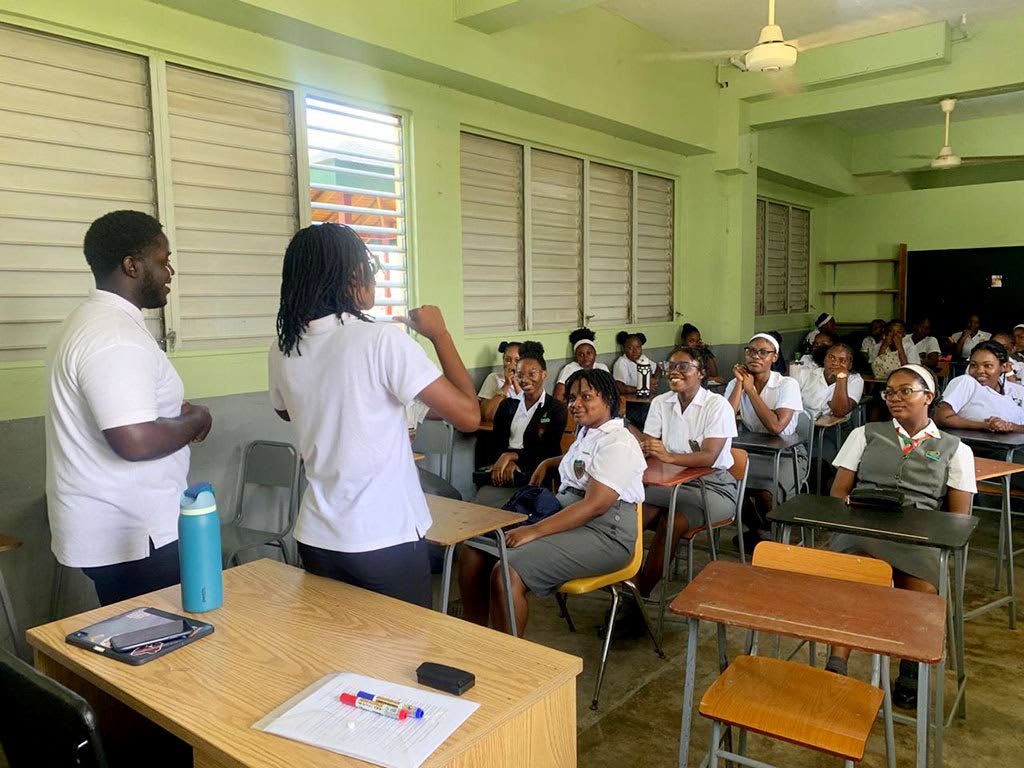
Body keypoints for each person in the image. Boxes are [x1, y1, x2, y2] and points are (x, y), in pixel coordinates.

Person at [268, 223, 480, 608]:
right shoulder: (380, 339)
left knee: (338, 652)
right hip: (383, 540)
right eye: (368, 267)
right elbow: (468, 416)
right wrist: (440, 335)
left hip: (317, 537)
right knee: (403, 658)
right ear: (352, 276)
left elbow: (285, 411)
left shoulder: (284, 348)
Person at [45, 210, 213, 606]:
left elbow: (128, 415)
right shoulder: (113, 336)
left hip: (117, 528)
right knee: (165, 649)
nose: (170, 271)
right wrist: (196, 420)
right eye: (162, 260)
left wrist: (171, 413)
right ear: (132, 265)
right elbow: (132, 440)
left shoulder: (87, 323)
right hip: (136, 536)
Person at [826, 364, 975, 709]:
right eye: (889, 392)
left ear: (929, 395)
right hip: (863, 529)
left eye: (905, 390)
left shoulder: (955, 449)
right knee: (856, 578)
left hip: (917, 537)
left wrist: (926, 532)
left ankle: (910, 664)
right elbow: (838, 493)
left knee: (922, 590)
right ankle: (836, 664)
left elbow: (957, 518)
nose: (895, 398)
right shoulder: (866, 434)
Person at [458, 369, 645, 635]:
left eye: (586, 396)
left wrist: (533, 531)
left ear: (608, 399)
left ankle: (504, 662)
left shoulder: (618, 441)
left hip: (605, 533)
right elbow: (583, 463)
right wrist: (550, 462)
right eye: (571, 398)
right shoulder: (588, 433)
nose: (575, 404)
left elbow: (595, 505)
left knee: (507, 570)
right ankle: (473, 637)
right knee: (473, 550)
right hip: (567, 518)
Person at [632, 346, 737, 600]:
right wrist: (638, 441)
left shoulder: (717, 405)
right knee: (635, 513)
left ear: (701, 373)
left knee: (672, 522)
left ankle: (639, 596)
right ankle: (627, 581)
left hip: (712, 487)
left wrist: (667, 456)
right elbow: (650, 445)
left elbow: (710, 456)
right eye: (671, 366)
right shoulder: (661, 402)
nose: (674, 372)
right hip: (669, 483)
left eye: (683, 367)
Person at [725, 333, 806, 547]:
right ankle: (758, 529)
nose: (755, 357)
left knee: (765, 491)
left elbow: (776, 427)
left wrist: (751, 391)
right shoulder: (738, 382)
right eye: (750, 351)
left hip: (787, 453)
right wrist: (739, 385)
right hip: (753, 450)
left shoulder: (787, 384)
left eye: (763, 352)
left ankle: (774, 534)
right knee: (728, 484)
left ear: (775, 357)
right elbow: (723, 421)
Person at [473, 342, 568, 508]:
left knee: (510, 504)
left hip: (535, 469)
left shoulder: (555, 408)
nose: (525, 380)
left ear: (544, 374)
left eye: (532, 374)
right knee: (482, 501)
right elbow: (497, 441)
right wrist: (505, 459)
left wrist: (513, 457)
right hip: (503, 468)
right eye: (520, 375)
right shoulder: (507, 405)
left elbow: (547, 448)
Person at [934, 341, 1024, 433]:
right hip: (975, 446)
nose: (980, 371)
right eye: (973, 365)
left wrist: (1010, 427)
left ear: (1004, 367)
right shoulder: (966, 382)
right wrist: (986, 426)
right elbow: (941, 417)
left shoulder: (1018, 391)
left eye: (988, 366)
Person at [790, 343, 863, 421]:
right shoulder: (805, 375)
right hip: (802, 423)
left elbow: (839, 412)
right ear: (824, 359)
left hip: (836, 428)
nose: (835, 363)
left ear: (850, 365)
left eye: (843, 360)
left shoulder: (855, 380)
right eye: (831, 358)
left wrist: (841, 378)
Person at [553, 327, 609, 402]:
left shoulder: (602, 368)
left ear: (595, 353)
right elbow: (558, 397)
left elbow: (611, 391)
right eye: (581, 354)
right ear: (576, 357)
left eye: (589, 353)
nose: (585, 357)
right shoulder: (570, 369)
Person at [478, 341, 522, 422]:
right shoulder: (494, 378)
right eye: (508, 360)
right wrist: (506, 385)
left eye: (517, 361)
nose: (512, 365)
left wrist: (516, 384)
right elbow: (486, 415)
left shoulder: (530, 381)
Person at [612, 331, 660, 395]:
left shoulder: (643, 358)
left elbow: (658, 368)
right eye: (630, 348)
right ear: (624, 348)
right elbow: (620, 388)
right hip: (632, 400)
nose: (635, 351)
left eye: (638, 347)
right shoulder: (621, 363)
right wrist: (644, 390)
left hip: (645, 396)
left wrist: (654, 379)